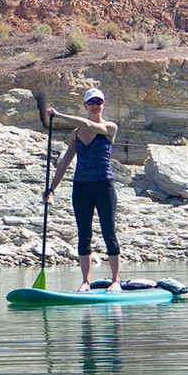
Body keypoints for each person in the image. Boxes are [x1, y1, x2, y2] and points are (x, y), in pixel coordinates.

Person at [45, 87, 122, 292]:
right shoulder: (75, 134)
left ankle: (116, 281)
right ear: (86, 105)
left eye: (99, 102)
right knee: (84, 233)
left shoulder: (110, 127)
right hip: (81, 186)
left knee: (108, 231)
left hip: (104, 184)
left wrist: (59, 115)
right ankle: (85, 282)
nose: (96, 106)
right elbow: (65, 162)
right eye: (92, 103)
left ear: (103, 105)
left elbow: (89, 124)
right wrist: (51, 188)